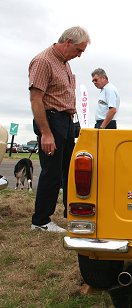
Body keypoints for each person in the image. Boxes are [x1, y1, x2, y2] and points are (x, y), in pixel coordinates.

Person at [29, 26, 91, 232]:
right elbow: (36, 99)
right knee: (52, 172)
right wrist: (46, 133)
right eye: (79, 50)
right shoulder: (43, 61)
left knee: (67, 171)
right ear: (67, 43)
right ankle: (40, 221)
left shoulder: (64, 63)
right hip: (51, 120)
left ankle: (70, 212)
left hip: (65, 121)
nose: (79, 55)